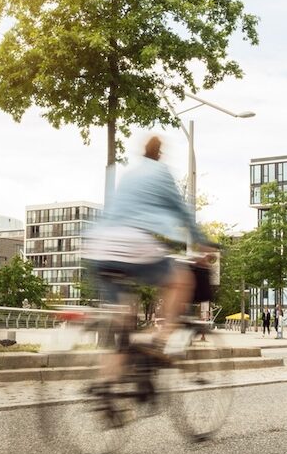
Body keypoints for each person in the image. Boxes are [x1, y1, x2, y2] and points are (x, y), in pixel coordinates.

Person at [83, 135, 211, 365]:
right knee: (181, 280)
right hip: (131, 242)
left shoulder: (129, 174)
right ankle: (159, 340)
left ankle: (105, 390)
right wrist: (200, 242)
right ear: (160, 154)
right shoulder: (161, 173)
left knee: (123, 322)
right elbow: (182, 212)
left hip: (99, 246)